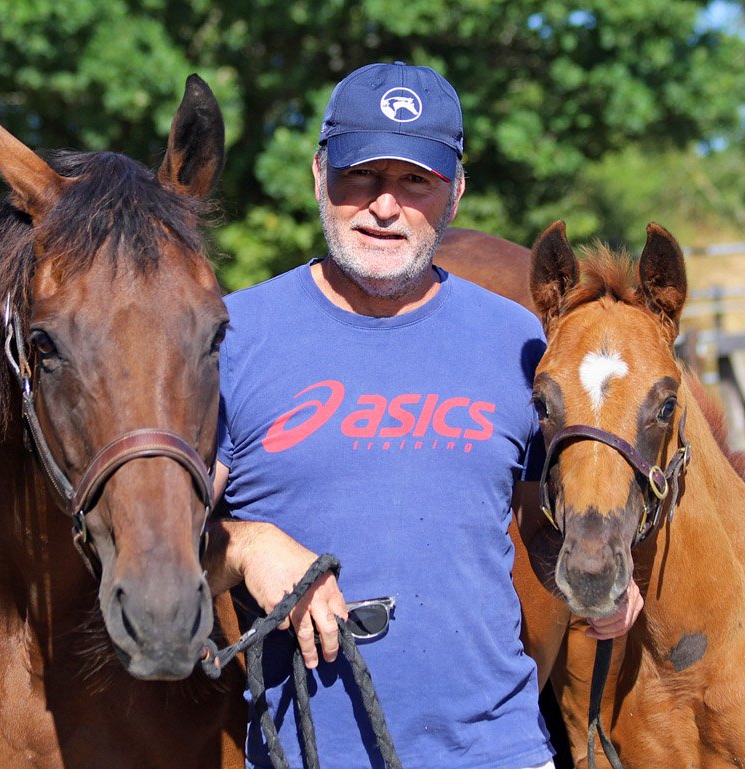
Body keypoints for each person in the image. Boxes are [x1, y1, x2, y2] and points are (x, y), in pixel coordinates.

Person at [204, 61, 641, 769]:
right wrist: (247, 546)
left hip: (498, 750)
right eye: (360, 176)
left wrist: (595, 577)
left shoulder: (519, 342)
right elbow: (156, 557)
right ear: (318, 175)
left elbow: (541, 527)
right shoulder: (233, 339)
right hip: (306, 754)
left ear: (455, 193)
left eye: (416, 181)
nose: (385, 206)